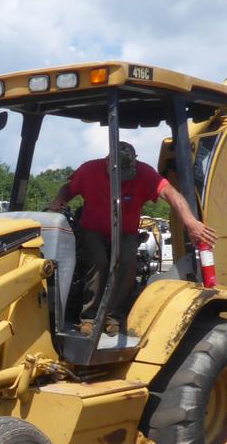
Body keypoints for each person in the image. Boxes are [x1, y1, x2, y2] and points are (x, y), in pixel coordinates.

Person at [48, 141, 217, 336]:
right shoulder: (89, 170)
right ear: (107, 161)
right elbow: (68, 189)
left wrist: (190, 222)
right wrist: (57, 202)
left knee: (127, 262)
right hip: (92, 230)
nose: (121, 181)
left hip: (125, 233)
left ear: (135, 163)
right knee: (99, 261)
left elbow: (171, 194)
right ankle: (90, 318)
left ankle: (114, 317)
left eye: (126, 175)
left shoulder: (145, 173)